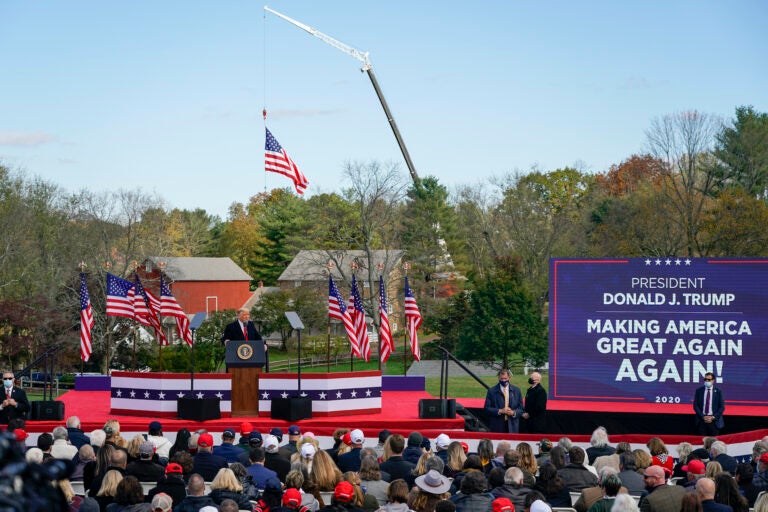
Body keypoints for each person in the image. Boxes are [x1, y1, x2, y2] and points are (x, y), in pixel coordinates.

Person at [485, 369, 523, 433]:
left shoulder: (517, 390)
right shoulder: (491, 391)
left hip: (512, 425)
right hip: (497, 425)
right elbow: (487, 408)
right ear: (498, 378)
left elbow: (521, 409)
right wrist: (500, 411)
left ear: (509, 378)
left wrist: (513, 412)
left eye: (505, 378)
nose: (503, 380)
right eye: (501, 379)